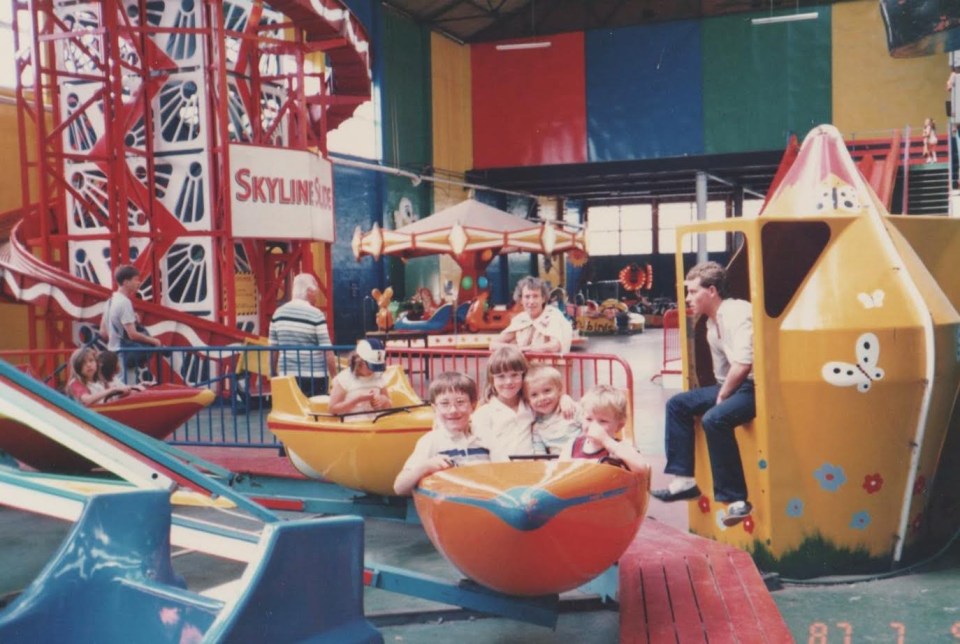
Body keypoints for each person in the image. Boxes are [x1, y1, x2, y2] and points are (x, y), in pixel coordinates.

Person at [651, 261, 756, 527]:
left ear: (712, 290)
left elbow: (744, 364)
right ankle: (683, 479)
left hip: (755, 385)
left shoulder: (737, 313)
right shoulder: (711, 325)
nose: (688, 298)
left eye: (693, 291)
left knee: (714, 419)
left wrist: (723, 397)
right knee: (678, 404)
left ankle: (737, 500)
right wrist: (722, 392)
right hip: (735, 384)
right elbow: (723, 373)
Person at [393, 372, 490, 495]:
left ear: (473, 405)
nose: (453, 410)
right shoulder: (431, 441)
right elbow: (399, 487)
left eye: (460, 402)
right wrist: (425, 467)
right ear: (435, 408)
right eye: (444, 404)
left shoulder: (484, 438)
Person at [268, 273, 335, 397]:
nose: (316, 297)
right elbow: (327, 351)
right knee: (314, 414)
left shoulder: (277, 314)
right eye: (315, 293)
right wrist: (335, 378)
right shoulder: (316, 314)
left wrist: (273, 374)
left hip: (287, 376)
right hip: (314, 376)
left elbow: (273, 350)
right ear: (309, 291)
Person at [559, 385, 647, 473]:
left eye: (603, 421)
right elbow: (560, 472)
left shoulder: (619, 448)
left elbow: (642, 467)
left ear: (619, 426)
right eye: (588, 419)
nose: (594, 426)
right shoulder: (572, 445)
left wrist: (607, 441)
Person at [471, 345, 535, 461]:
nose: (508, 381)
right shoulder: (485, 413)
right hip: (500, 470)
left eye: (514, 375)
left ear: (523, 375)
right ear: (492, 380)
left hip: (531, 469)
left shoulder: (531, 406)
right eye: (501, 377)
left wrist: (564, 399)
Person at [99, 264, 161, 370]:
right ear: (126, 282)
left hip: (113, 355)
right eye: (136, 280)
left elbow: (103, 332)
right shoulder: (124, 302)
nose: (139, 283)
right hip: (125, 355)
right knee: (128, 385)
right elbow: (133, 335)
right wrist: (154, 341)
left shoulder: (110, 301)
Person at [492, 276, 573, 353]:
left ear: (543, 298)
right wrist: (517, 349)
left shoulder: (553, 315)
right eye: (527, 297)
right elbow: (493, 344)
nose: (531, 302)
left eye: (535, 296)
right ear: (521, 300)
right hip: (525, 366)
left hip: (548, 366)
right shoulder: (520, 319)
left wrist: (526, 349)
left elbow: (554, 346)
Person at [526, 364, 581, 455]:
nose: (542, 398)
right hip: (557, 464)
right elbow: (540, 453)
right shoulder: (537, 427)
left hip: (583, 459)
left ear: (559, 389)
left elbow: (591, 426)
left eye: (547, 391)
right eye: (534, 395)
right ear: (528, 400)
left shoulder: (571, 408)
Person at [328, 339, 391, 418]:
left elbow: (389, 405)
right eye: (371, 366)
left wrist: (384, 400)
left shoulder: (378, 376)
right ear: (358, 361)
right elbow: (332, 409)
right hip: (352, 427)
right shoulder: (344, 379)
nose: (373, 371)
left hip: (375, 426)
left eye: (376, 367)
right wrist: (357, 400)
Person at [65, 347, 134, 406]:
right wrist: (111, 390)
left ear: (96, 362)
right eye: (83, 363)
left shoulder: (100, 381)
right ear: (77, 367)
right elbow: (87, 400)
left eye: (91, 360)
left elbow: (111, 399)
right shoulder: (76, 383)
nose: (88, 365)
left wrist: (124, 393)